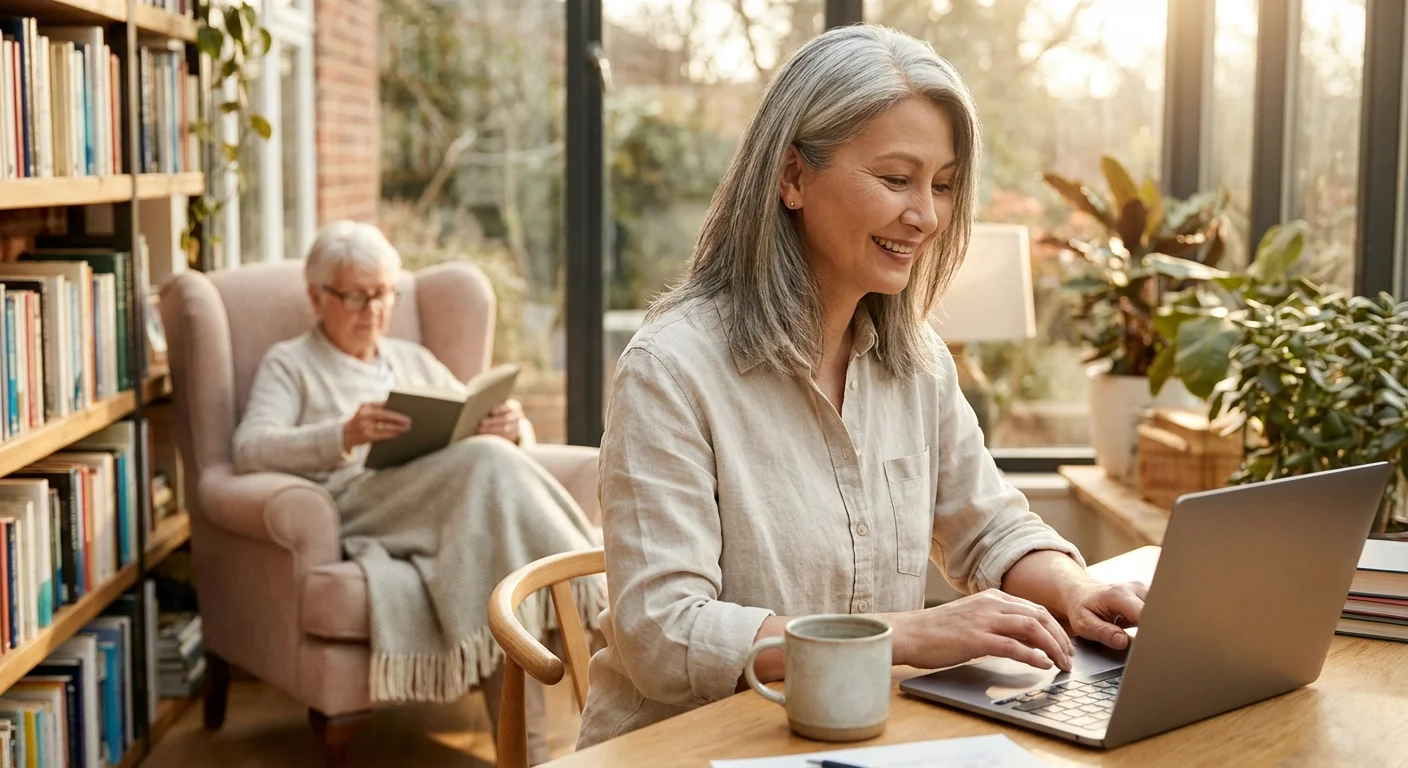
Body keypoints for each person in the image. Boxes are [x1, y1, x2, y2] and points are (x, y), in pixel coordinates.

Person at [576, 24, 1148, 748]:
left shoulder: (918, 363)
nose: (928, 215)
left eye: (941, 185)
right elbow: (665, 634)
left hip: (854, 739)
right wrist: (910, 635)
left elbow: (990, 527)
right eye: (895, 178)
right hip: (685, 749)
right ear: (791, 178)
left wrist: (1079, 592)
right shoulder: (671, 368)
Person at [232, 220, 603, 764]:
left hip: (445, 503)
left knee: (493, 548)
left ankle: (528, 755)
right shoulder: (291, 364)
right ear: (317, 296)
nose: (373, 311)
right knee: (484, 462)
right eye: (357, 296)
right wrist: (343, 433)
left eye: (383, 294)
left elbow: (469, 420)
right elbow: (249, 449)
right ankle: (590, 587)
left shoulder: (410, 359)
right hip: (361, 504)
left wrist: (511, 426)